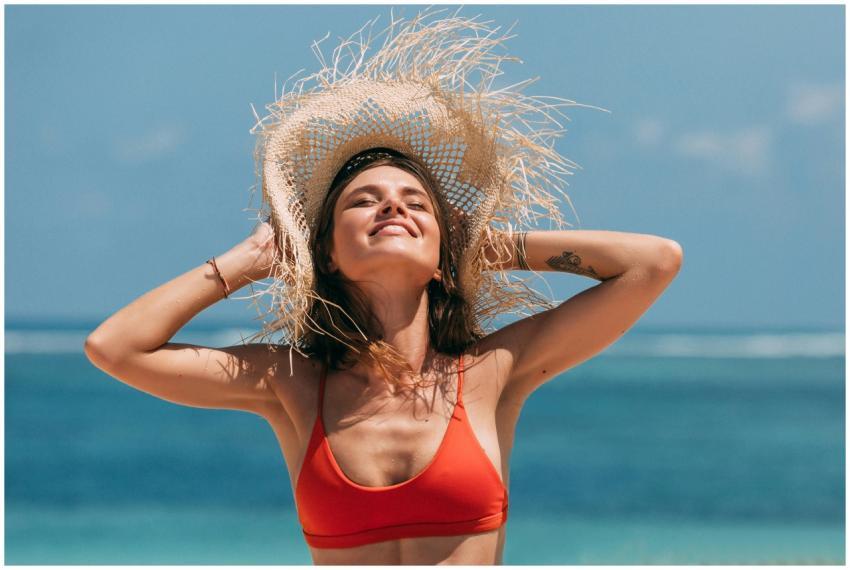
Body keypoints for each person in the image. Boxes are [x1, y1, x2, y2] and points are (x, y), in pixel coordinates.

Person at [84, 10, 683, 565]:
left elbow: (653, 262)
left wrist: (478, 251)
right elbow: (116, 349)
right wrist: (250, 258)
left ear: (442, 257)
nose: (392, 207)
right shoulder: (291, 384)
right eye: (365, 200)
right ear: (328, 253)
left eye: (415, 203)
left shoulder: (495, 372)